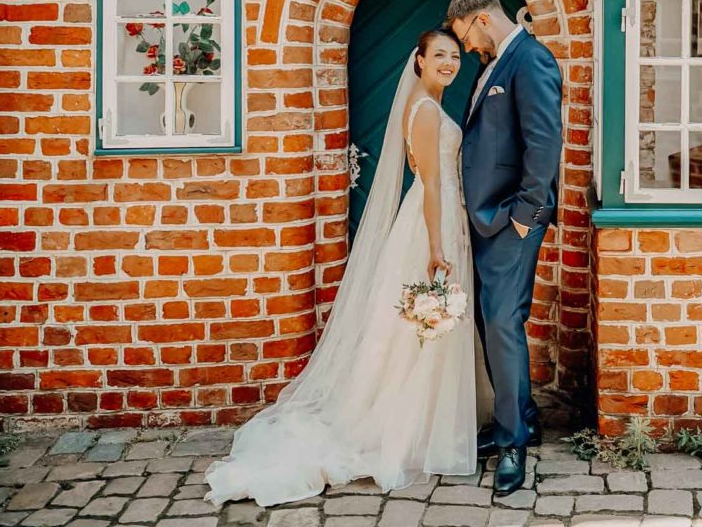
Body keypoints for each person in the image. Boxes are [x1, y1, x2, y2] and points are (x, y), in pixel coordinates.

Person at [204, 29, 489, 507]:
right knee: (422, 326)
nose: (449, 63)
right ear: (418, 61)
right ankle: (412, 426)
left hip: (440, 219)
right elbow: (433, 184)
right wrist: (438, 248)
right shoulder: (423, 111)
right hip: (431, 224)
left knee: (423, 329)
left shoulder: (428, 105)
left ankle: (434, 419)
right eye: (439, 55)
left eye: (455, 56)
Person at [447, 0, 564, 497]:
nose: (467, 49)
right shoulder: (492, 62)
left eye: (464, 37)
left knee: (502, 322)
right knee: (490, 322)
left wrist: (525, 215)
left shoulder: (530, 59)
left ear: (481, 20)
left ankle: (514, 443)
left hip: (511, 218)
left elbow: (545, 142)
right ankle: (523, 419)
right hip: (485, 218)